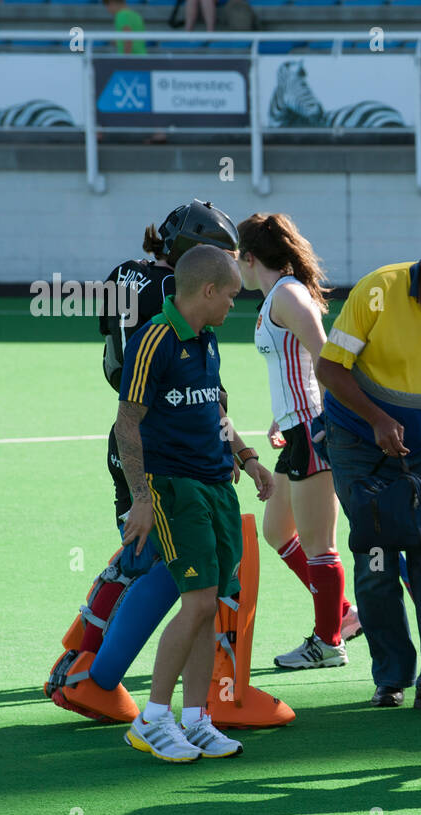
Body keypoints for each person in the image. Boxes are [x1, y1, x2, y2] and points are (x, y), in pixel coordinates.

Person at [45, 200, 241, 723]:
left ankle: (82, 661)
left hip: (136, 435)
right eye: (219, 265)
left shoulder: (124, 276)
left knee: (144, 557)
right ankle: (102, 677)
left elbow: (110, 337)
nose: (229, 283)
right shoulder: (174, 303)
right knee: (175, 570)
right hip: (163, 444)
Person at [315, 227, 421, 710]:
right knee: (376, 559)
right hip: (358, 441)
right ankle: (391, 678)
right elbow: (329, 368)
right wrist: (376, 419)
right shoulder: (377, 290)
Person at [118, 244, 275, 762]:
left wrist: (248, 458)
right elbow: (128, 423)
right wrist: (141, 496)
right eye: (231, 296)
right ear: (207, 291)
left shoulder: (208, 341)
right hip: (174, 488)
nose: (235, 305)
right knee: (199, 602)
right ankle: (152, 719)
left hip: (216, 485)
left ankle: (195, 718)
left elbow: (216, 413)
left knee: (211, 608)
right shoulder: (154, 339)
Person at [235, 212, 361, 669]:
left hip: (312, 430)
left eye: (236, 259)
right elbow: (295, 364)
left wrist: (328, 423)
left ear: (250, 258)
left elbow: (325, 357)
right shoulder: (277, 296)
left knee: (319, 544)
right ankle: (343, 613)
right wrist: (279, 416)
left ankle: (328, 642)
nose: (234, 269)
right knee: (276, 532)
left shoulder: (286, 295)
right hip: (296, 429)